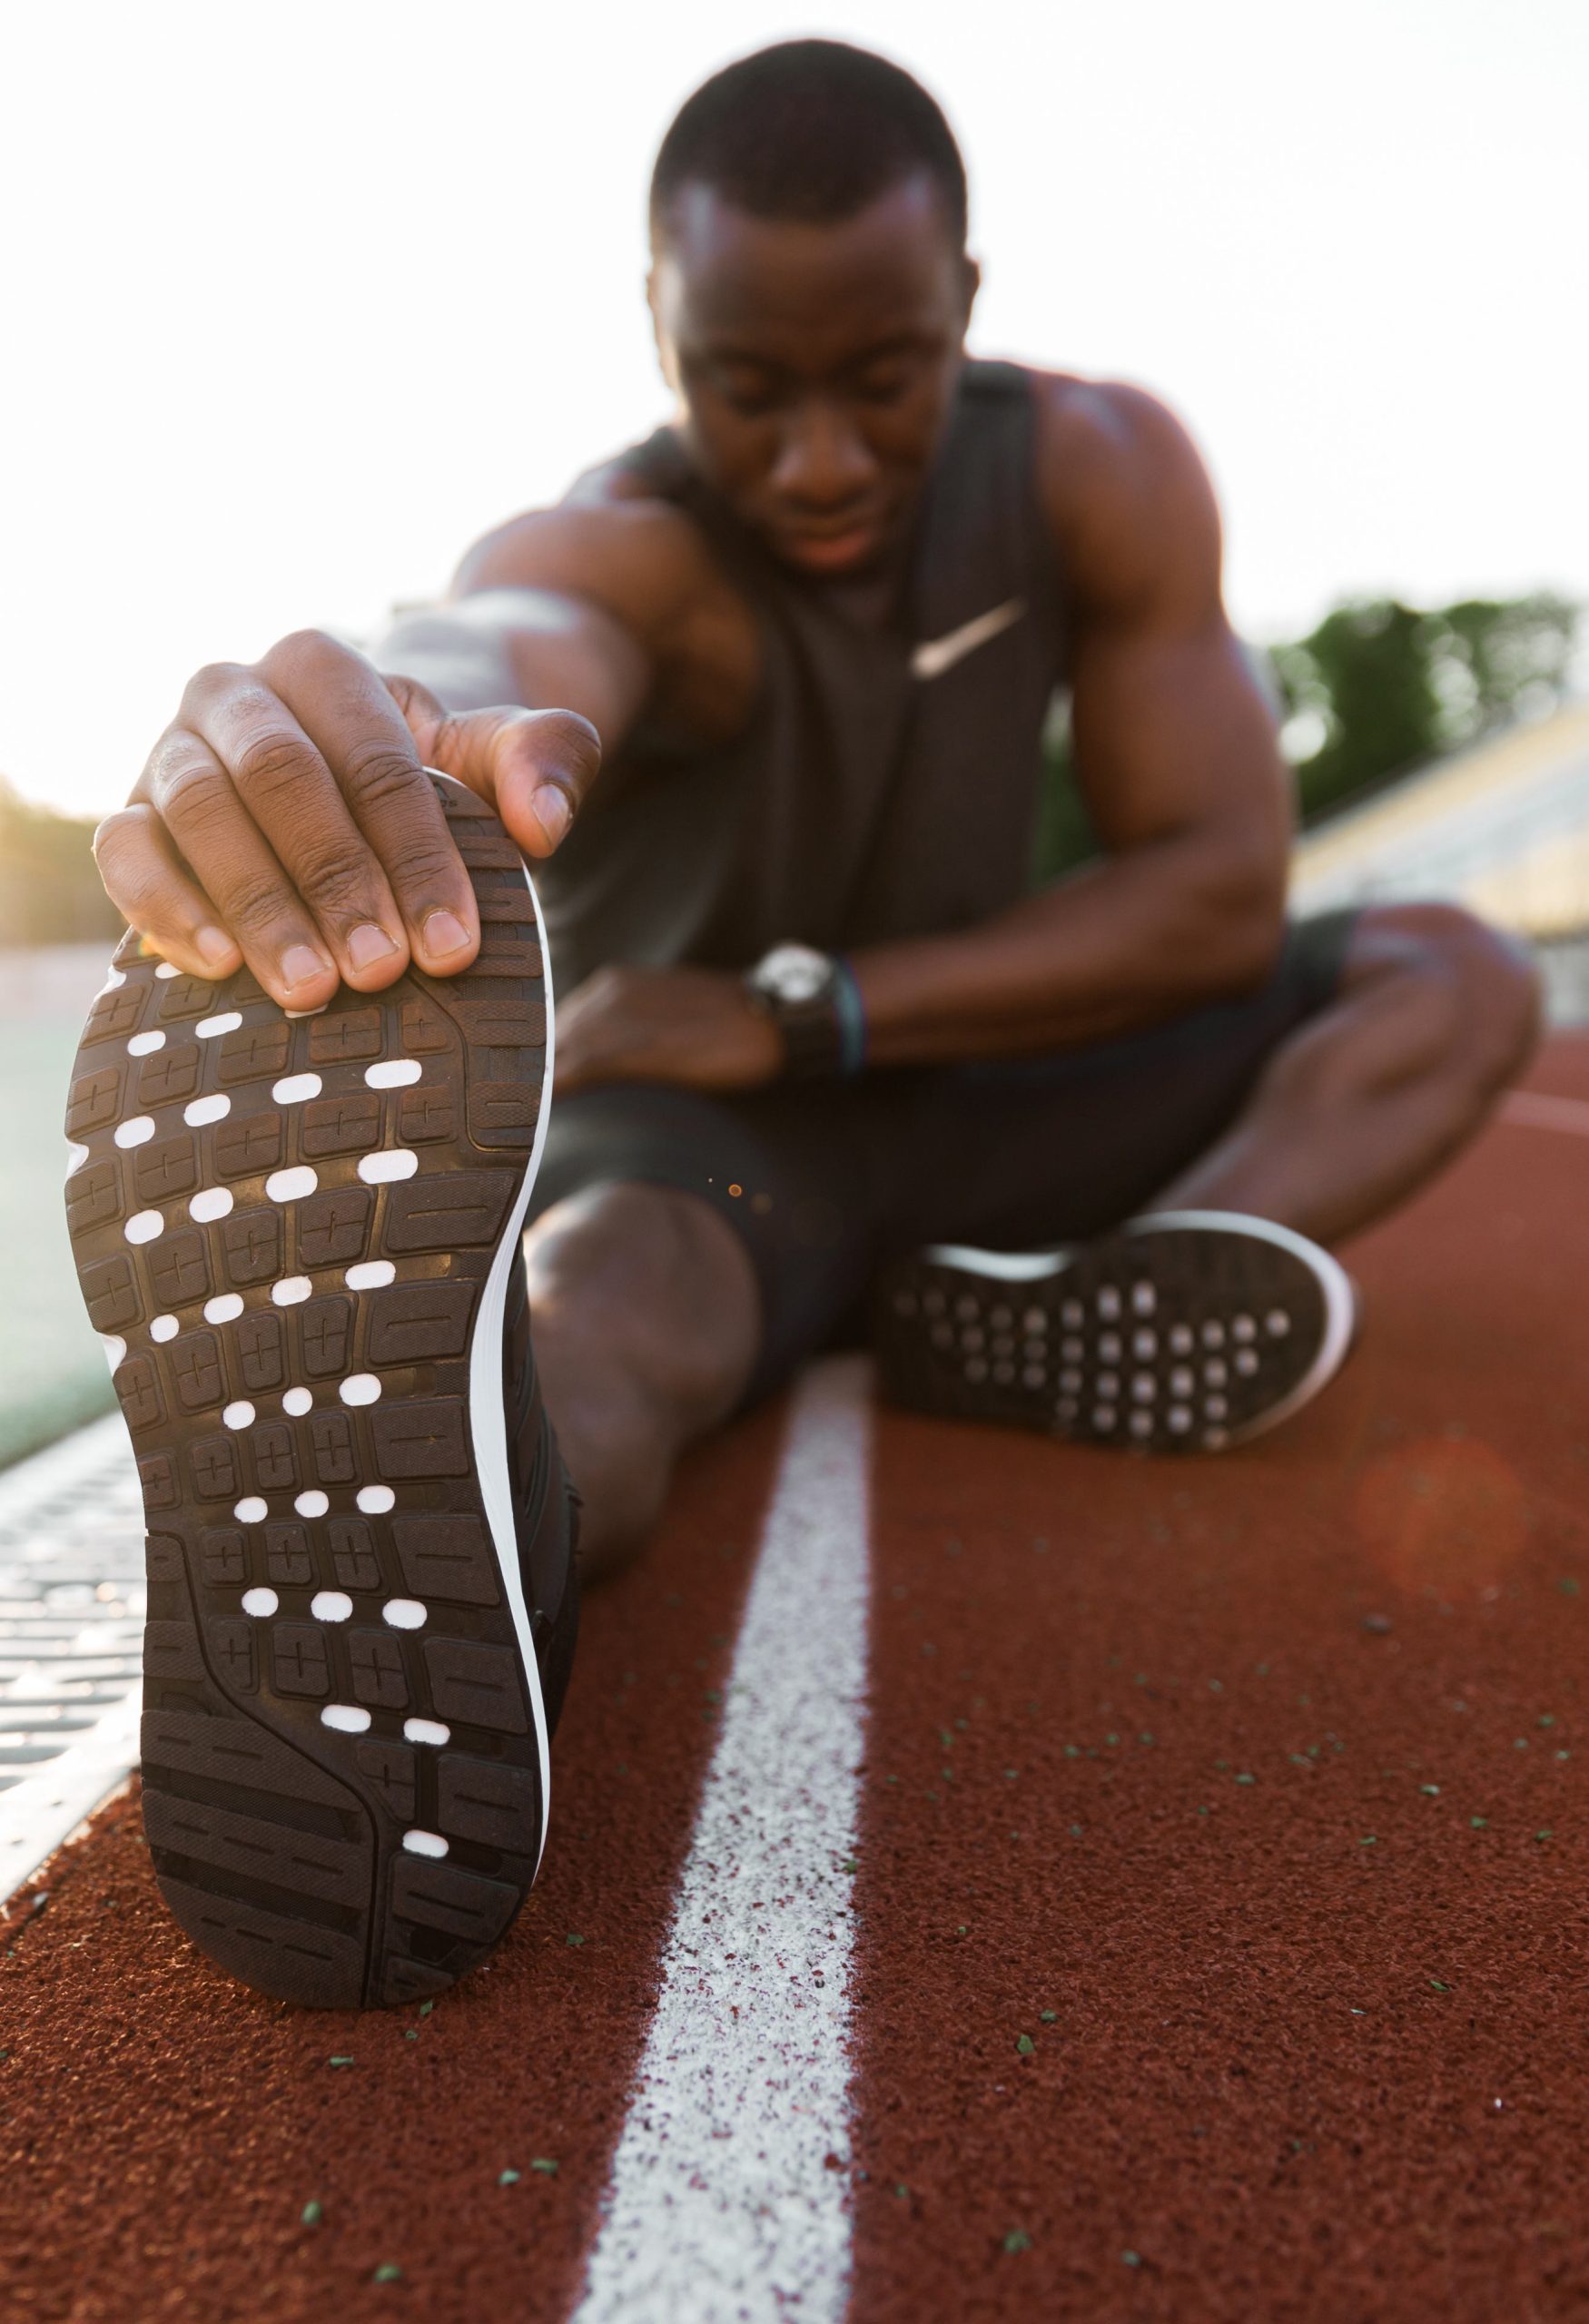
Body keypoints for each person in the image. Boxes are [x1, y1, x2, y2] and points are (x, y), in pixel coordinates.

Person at [87, 39, 1538, 1591]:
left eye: (884, 379)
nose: (821, 461)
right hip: (697, 1148)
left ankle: (1066, 1308)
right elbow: (506, 629)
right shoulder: (632, 549)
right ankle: (405, 1569)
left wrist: (801, 1014)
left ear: (963, 301)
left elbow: (1216, 891)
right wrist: (373, 713)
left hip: (972, 1082)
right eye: (750, 387)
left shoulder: (1100, 469)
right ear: (658, 323)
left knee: (1453, 974)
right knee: (603, 1312)